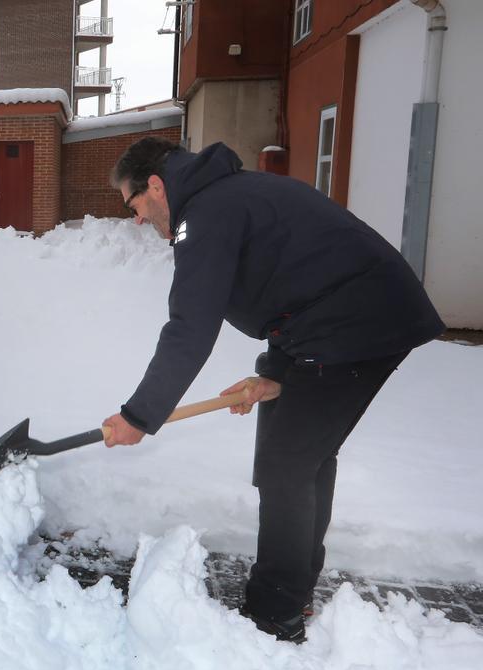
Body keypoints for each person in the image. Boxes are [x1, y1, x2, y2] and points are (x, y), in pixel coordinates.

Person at [102, 137, 444, 643]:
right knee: (299, 460)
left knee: (288, 466)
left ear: (155, 185)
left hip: (355, 325)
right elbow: (301, 284)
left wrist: (139, 415)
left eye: (133, 204)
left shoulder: (206, 214)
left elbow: (190, 327)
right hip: (348, 320)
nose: (135, 218)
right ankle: (292, 592)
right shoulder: (233, 195)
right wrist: (277, 372)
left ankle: (273, 613)